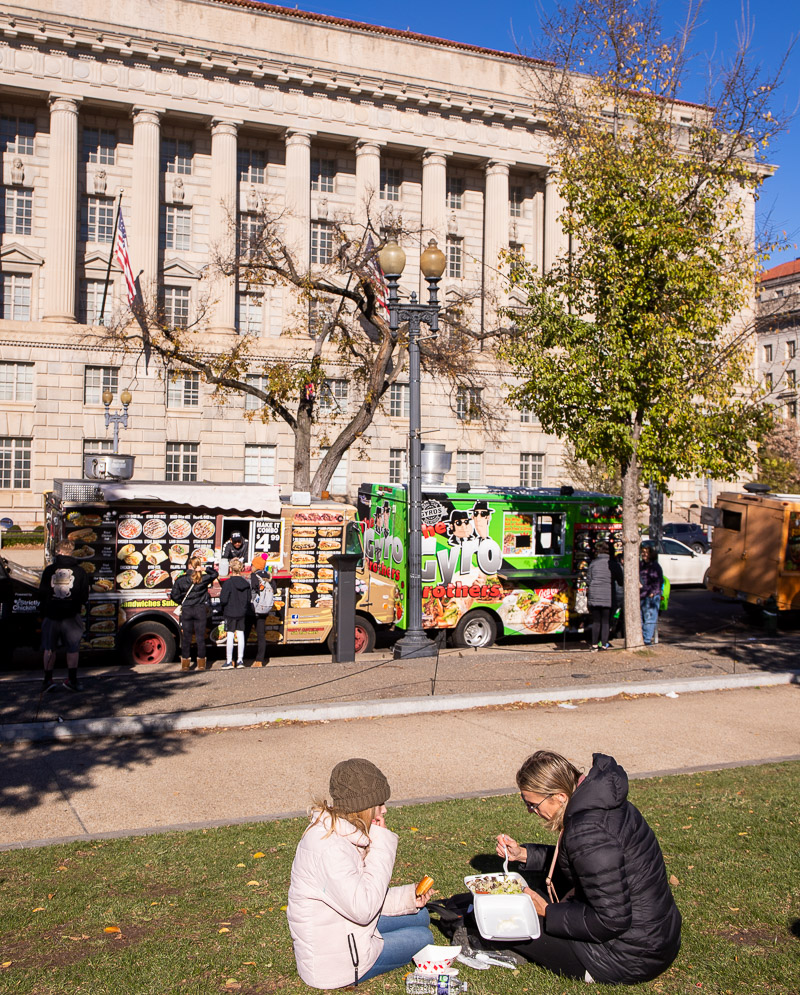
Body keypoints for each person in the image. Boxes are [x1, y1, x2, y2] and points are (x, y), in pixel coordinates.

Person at [496, 750, 681, 985]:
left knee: (508, 916)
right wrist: (524, 854)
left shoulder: (587, 831)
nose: (530, 811)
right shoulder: (604, 803)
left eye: (533, 804)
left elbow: (611, 920)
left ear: (560, 796)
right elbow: (587, 863)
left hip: (626, 958)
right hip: (657, 940)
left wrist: (547, 912)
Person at [287, 758, 434, 989]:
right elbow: (364, 909)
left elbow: (359, 894)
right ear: (365, 806)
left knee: (421, 916)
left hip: (345, 932)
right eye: (379, 803)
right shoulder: (331, 849)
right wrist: (381, 846)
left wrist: (408, 898)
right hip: (336, 964)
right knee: (424, 938)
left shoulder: (339, 832)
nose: (384, 809)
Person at [38, 539, 90, 692]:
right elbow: (84, 596)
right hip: (71, 615)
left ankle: (47, 681)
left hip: (52, 614)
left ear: (59, 552)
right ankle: (71, 680)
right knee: (73, 649)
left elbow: (42, 593)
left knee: (49, 648)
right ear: (72, 552)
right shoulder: (80, 572)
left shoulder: (49, 570)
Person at [170, 556, 219, 671]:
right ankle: (201, 664)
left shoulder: (180, 580)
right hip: (200, 610)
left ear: (189, 566)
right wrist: (204, 569)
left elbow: (174, 595)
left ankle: (186, 665)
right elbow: (215, 574)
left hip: (187, 610)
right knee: (200, 637)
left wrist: (182, 601)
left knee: (186, 638)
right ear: (197, 566)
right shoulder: (203, 578)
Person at [585, 541, 618, 650]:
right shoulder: (613, 564)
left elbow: (588, 580)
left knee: (596, 621)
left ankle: (594, 644)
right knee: (605, 621)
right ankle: (603, 644)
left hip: (594, 595)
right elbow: (621, 580)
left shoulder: (593, 563)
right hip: (608, 595)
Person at [220, 557, 250, 668]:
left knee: (230, 635)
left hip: (230, 611)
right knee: (241, 634)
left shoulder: (228, 583)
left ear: (231, 568)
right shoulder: (246, 584)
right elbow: (248, 599)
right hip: (242, 612)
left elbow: (223, 600)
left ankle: (229, 661)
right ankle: (240, 660)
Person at [249, 555, 277, 667]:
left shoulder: (254, 576)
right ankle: (260, 660)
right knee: (261, 635)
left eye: (252, 565)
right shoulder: (269, 576)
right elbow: (274, 590)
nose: (251, 567)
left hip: (253, 608)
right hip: (264, 609)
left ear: (256, 566)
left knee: (245, 632)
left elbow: (252, 589)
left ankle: (238, 659)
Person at [639, 545, 664, 646]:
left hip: (650, 595)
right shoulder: (640, 565)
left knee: (649, 618)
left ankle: (647, 639)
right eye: (643, 552)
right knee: (641, 618)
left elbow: (658, 581)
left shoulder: (655, 567)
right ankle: (642, 638)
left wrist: (653, 593)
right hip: (641, 595)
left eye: (646, 553)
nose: (644, 554)